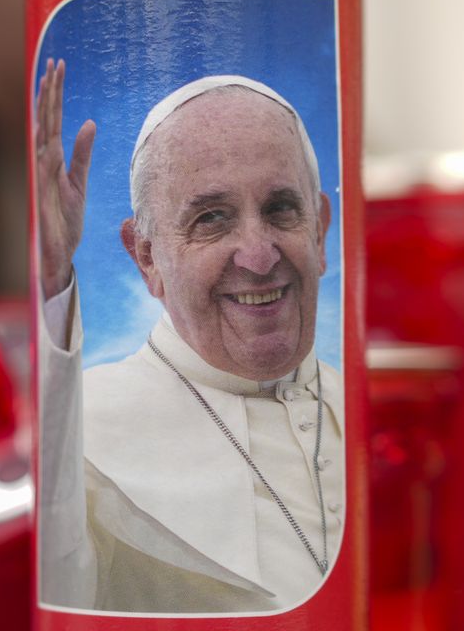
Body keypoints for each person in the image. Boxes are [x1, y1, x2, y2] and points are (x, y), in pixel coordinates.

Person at [36, 58, 344, 613]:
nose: (257, 255)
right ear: (147, 257)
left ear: (320, 232)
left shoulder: (374, 410)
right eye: (212, 219)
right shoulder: (83, 430)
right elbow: (58, 594)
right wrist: (52, 281)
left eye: (281, 210)